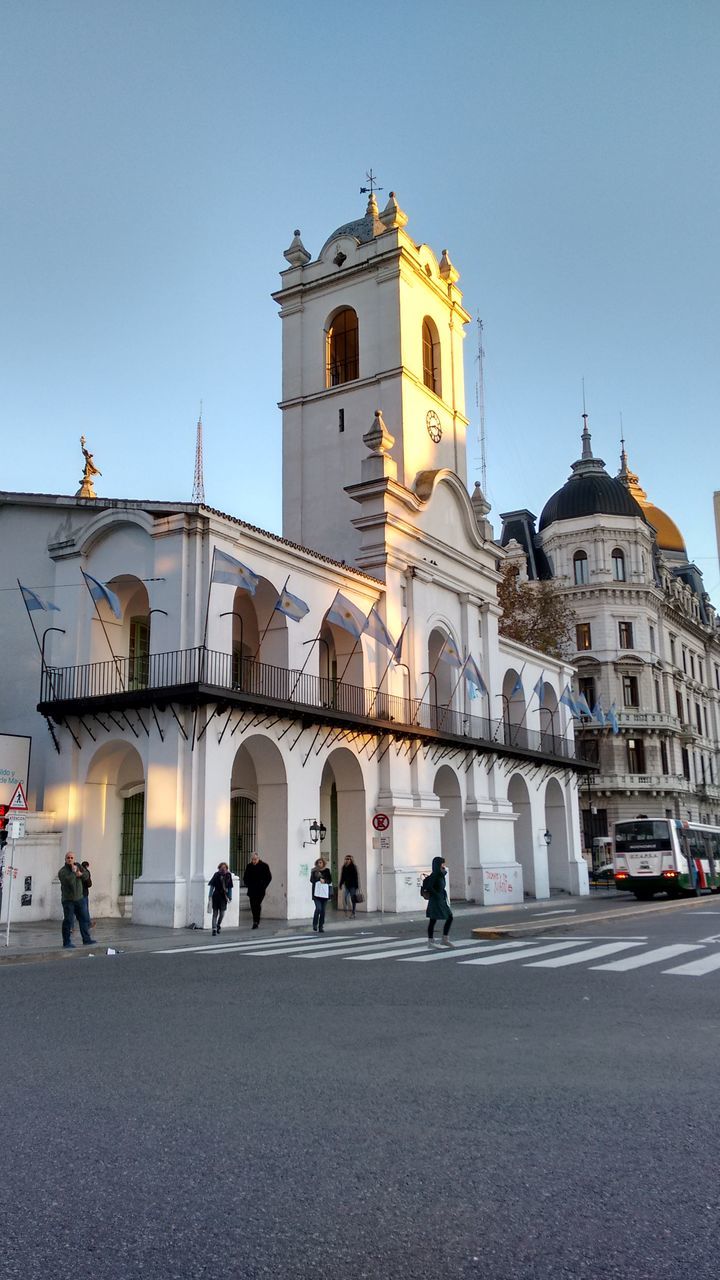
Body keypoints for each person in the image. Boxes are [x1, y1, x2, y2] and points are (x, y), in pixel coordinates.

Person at [58, 852, 96, 948]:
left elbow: (86, 875)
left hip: (80, 898)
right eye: (68, 858)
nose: (70, 859)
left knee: (83, 919)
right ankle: (66, 942)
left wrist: (81, 874)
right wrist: (74, 873)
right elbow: (68, 881)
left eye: (71, 858)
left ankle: (86, 939)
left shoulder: (78, 866)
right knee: (68, 920)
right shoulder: (62, 871)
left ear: (74, 859)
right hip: (68, 900)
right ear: (65, 859)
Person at [426, 855, 454, 948]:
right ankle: (430, 941)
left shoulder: (441, 874)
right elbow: (429, 887)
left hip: (441, 899)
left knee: (449, 917)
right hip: (436, 900)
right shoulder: (434, 875)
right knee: (433, 920)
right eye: (442, 863)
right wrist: (437, 895)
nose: (444, 865)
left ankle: (445, 939)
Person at [243, 852, 272, 929]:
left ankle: (256, 921)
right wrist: (248, 884)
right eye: (252, 859)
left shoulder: (264, 866)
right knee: (253, 905)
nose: (254, 861)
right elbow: (245, 877)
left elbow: (269, 877)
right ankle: (255, 921)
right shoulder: (249, 866)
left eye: (255, 859)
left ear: (258, 858)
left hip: (260, 890)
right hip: (252, 889)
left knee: (257, 904)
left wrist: (263, 885)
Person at [208, 862, 233, 936]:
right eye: (222, 868)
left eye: (224, 868)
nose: (223, 869)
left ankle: (218, 924)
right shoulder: (216, 875)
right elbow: (212, 886)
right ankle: (214, 929)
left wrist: (230, 896)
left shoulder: (228, 875)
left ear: (227, 868)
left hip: (223, 897)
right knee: (215, 913)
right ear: (219, 868)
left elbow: (229, 887)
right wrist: (209, 896)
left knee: (222, 913)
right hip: (216, 896)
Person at [310, 857, 332, 933]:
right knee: (318, 908)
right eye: (318, 863)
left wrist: (324, 880)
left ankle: (321, 926)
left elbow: (330, 880)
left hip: (324, 894)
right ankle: (315, 924)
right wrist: (318, 877)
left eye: (321, 862)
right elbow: (311, 880)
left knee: (323, 911)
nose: (319, 864)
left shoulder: (327, 870)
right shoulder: (314, 871)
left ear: (323, 863)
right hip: (316, 893)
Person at [80, 860, 93, 929]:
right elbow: (89, 884)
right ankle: (88, 923)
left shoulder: (77, 872)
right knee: (85, 909)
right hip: (84, 893)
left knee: (73, 910)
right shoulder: (86, 872)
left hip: (77, 893)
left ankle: (71, 926)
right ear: (87, 866)